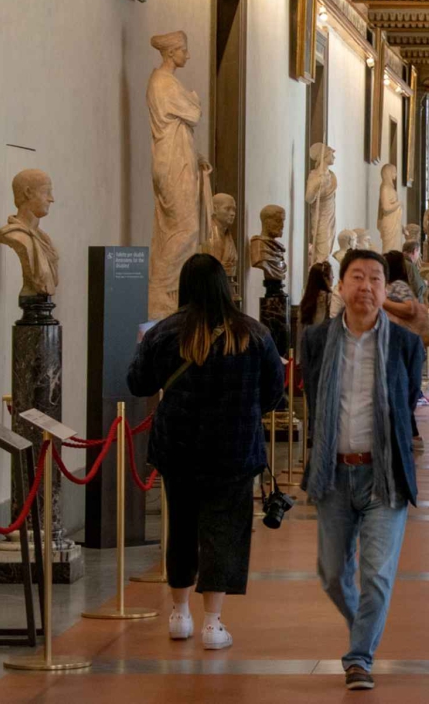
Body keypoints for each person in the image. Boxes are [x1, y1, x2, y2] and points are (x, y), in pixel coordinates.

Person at [127, 253, 285, 651]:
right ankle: (212, 623)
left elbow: (138, 384)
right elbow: (274, 393)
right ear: (224, 286)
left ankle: (179, 614)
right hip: (234, 449)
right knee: (224, 531)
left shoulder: (164, 333)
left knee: (180, 526)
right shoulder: (253, 333)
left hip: (178, 448)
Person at [301, 249, 425, 692]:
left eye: (375, 278)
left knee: (376, 575)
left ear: (385, 289)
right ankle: (364, 628)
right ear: (340, 286)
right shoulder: (315, 340)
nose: (366, 286)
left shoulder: (406, 345)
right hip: (333, 474)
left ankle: (359, 657)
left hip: (383, 475)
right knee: (333, 574)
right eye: (357, 276)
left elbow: (405, 403)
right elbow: (313, 400)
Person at [383, 250, 429, 448]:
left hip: (402, 344)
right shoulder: (391, 286)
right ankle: (409, 432)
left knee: (402, 387)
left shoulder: (399, 286)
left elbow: (409, 308)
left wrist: (382, 302)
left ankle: (410, 433)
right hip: (396, 343)